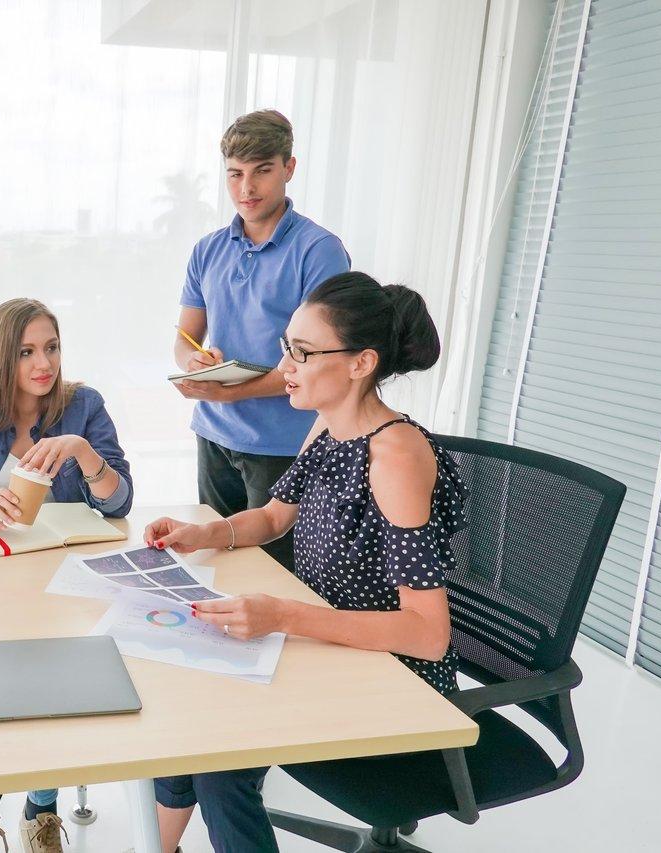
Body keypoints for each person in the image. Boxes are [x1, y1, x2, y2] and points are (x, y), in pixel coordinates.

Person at [146, 272, 468, 852]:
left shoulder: (393, 455)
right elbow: (273, 517)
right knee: (189, 713)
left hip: (394, 678)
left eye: (302, 352)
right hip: (330, 649)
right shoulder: (327, 425)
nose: (284, 366)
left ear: (360, 363)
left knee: (221, 762)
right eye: (285, 347)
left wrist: (283, 616)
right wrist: (208, 532)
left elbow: (428, 634)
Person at [0, 297, 133, 853]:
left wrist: (84, 453)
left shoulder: (83, 406)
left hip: (65, 582)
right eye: (27, 351)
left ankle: (42, 807)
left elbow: (119, 502)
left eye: (52, 348)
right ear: (0, 356)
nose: (44, 364)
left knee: (58, 695)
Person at [172, 109, 350, 570]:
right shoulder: (207, 249)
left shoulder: (320, 251)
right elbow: (186, 337)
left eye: (262, 172)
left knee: (274, 574)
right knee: (213, 563)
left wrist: (228, 393)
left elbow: (318, 363)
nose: (246, 189)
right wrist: (195, 364)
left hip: (282, 446)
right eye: (235, 175)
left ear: (289, 168)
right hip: (213, 435)